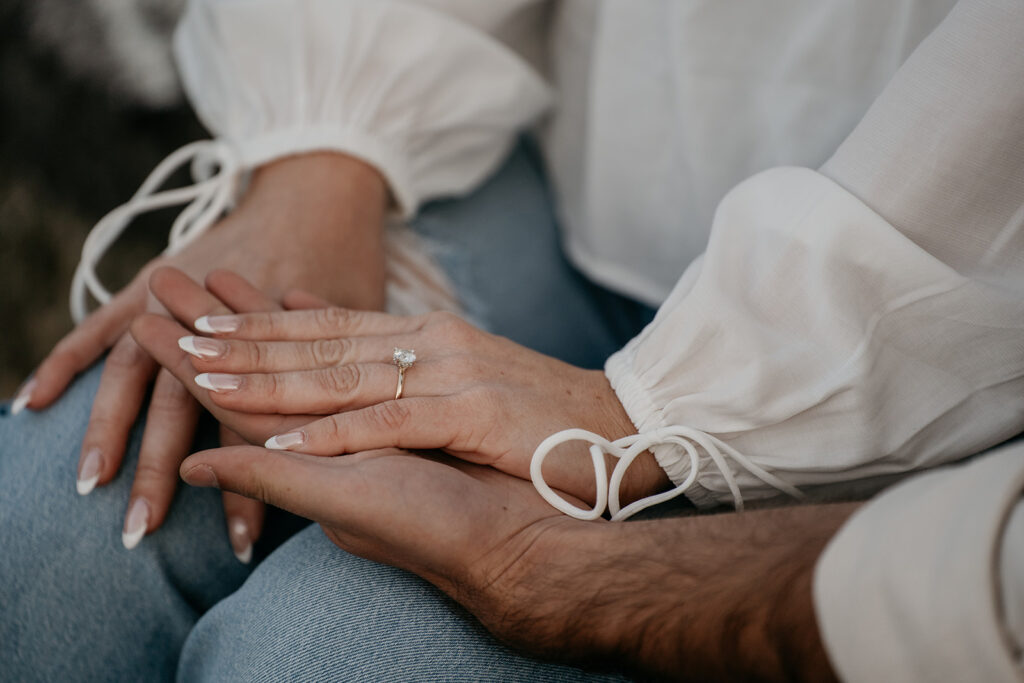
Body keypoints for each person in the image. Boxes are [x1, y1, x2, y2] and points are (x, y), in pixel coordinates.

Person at [3, 0, 1023, 679]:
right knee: (45, 521)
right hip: (586, 183)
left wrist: (645, 422)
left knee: (319, 656)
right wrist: (323, 161)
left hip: (938, 381)